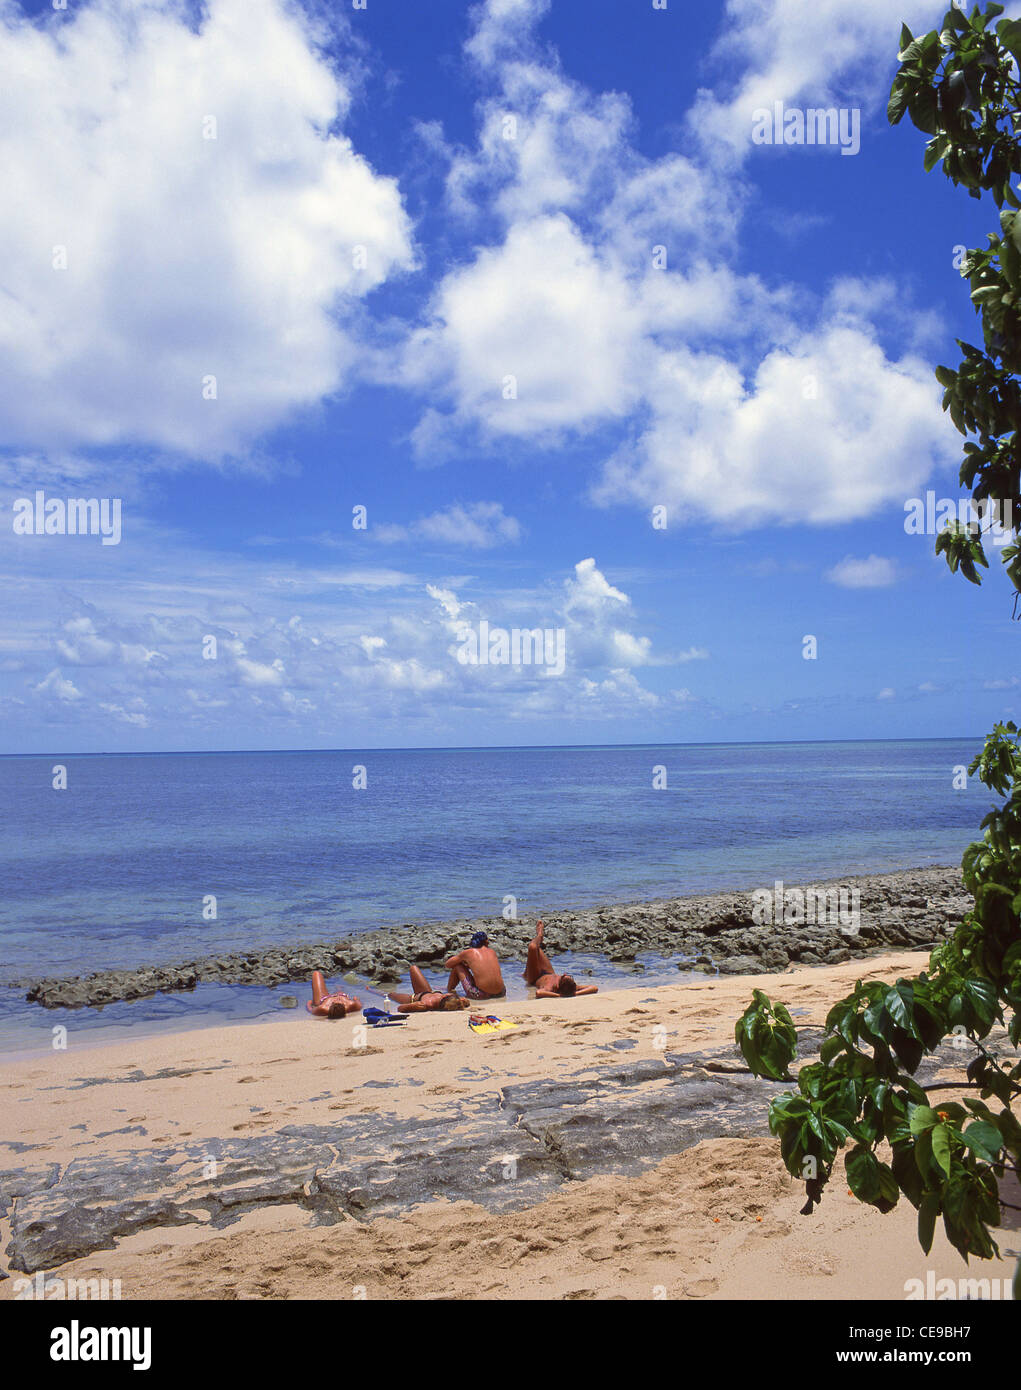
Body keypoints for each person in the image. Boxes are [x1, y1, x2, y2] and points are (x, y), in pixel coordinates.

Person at [523, 921, 597, 999]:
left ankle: (539, 935)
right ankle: (525, 973)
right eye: (569, 976)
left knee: (532, 947)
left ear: (559, 985)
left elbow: (539, 993)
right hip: (549, 972)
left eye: (563, 977)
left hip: (535, 977)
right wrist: (576, 993)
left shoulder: (550, 987)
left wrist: (559, 996)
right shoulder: (572, 987)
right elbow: (594, 987)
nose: (564, 974)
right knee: (536, 949)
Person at [445, 930, 506, 999]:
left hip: (481, 994)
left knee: (458, 966)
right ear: (486, 941)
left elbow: (448, 965)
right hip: (501, 992)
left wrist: (463, 963)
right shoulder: (492, 952)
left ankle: (449, 990)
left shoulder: (468, 952)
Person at [387, 964, 472, 1013]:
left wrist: (412, 1006)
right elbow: (465, 1002)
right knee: (413, 968)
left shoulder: (425, 1004)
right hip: (427, 991)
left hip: (413, 998)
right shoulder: (453, 1000)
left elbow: (400, 1008)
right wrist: (465, 1001)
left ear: (443, 999)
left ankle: (378, 992)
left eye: (444, 996)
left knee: (391, 995)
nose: (443, 995)